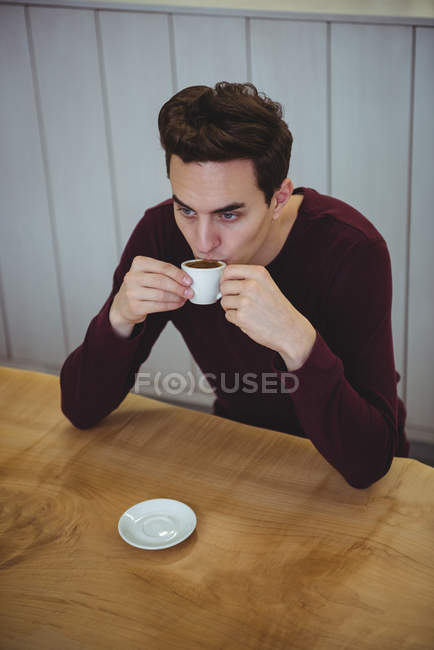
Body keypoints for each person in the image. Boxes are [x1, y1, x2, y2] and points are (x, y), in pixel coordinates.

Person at [60, 81, 409, 488]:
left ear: (279, 198)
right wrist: (118, 320)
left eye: (228, 215)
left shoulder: (351, 248)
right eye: (186, 209)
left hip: (344, 465)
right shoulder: (160, 234)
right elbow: (80, 410)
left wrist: (298, 343)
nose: (202, 241)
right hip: (239, 446)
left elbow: (370, 460)